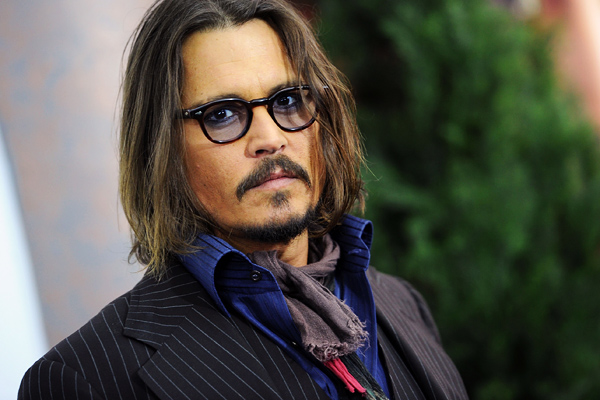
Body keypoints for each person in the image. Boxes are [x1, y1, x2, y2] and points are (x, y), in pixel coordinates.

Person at [19, 0, 468, 399]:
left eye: (288, 100)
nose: (270, 138)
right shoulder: (83, 379)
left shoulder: (401, 302)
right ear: (162, 150)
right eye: (222, 114)